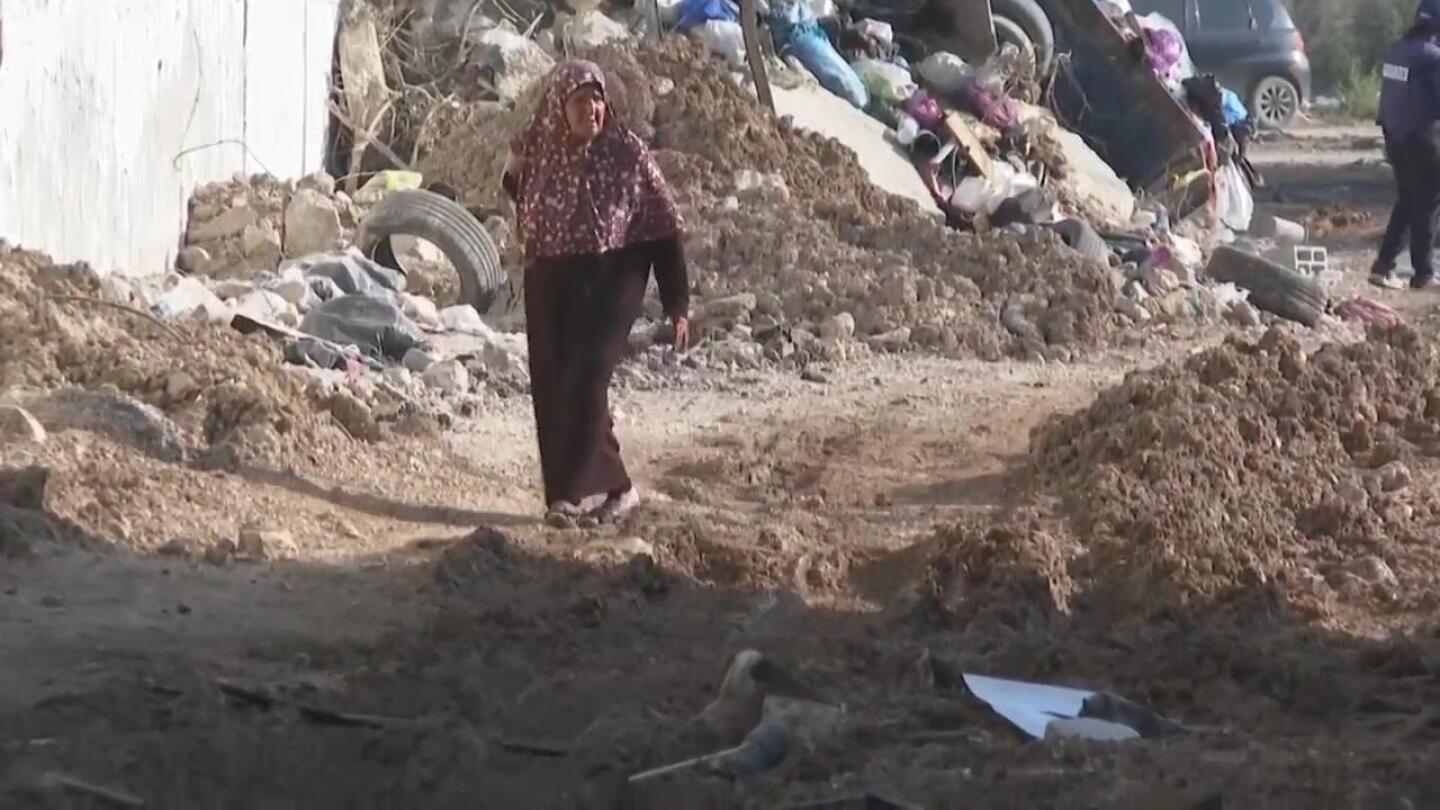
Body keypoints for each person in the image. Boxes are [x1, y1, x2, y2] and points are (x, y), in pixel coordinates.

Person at [502, 60, 690, 526]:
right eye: (581, 100)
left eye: (598, 98)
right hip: (551, 277)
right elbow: (518, 196)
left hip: (616, 274)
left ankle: (620, 487)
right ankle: (563, 497)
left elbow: (663, 228)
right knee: (553, 383)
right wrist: (513, 171)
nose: (593, 109)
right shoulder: (539, 151)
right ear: (558, 109)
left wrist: (677, 304)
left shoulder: (627, 153)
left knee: (587, 377)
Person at [1371, 0, 1440, 289]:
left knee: (1408, 199)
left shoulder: (1396, 52)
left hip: (1395, 138)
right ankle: (1423, 274)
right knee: (1428, 201)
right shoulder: (1432, 57)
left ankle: (1383, 265)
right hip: (1422, 140)